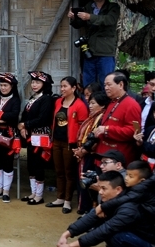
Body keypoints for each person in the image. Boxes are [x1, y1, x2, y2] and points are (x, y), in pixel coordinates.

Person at [57, 171, 155, 247]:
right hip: (139, 242)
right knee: (107, 226)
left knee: (116, 235)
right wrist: (66, 234)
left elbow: (104, 231)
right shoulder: (111, 201)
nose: (100, 192)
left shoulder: (128, 208)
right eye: (99, 188)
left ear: (118, 189)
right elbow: (91, 217)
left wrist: (71, 246)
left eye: (104, 188)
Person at [47, 76, 88, 213]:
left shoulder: (80, 105)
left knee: (69, 172)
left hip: (70, 143)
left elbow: (83, 126)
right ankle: (60, 197)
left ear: (74, 88)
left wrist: (79, 144)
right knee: (58, 171)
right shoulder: (58, 101)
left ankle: (68, 201)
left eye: (65, 86)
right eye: (61, 86)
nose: (62, 89)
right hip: (57, 141)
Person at [68, 0, 120, 85]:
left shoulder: (113, 7)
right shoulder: (89, 6)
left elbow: (109, 20)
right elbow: (79, 25)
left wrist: (90, 17)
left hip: (105, 51)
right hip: (90, 50)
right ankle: (89, 101)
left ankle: (105, 101)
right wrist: (73, 18)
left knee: (106, 81)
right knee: (88, 81)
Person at [18, 71, 55, 205]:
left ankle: (39, 195)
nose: (34, 85)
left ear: (44, 84)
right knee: (31, 164)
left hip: (41, 136)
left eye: (37, 82)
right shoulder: (34, 97)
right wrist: (23, 127)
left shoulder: (46, 99)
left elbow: (43, 119)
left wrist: (25, 125)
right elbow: (25, 115)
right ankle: (33, 192)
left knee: (38, 164)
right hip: (30, 135)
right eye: (33, 82)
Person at [72, 92, 110, 213]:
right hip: (84, 151)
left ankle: (86, 209)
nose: (90, 105)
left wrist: (83, 151)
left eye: (93, 103)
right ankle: (83, 208)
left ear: (102, 105)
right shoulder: (92, 117)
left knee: (87, 180)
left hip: (91, 154)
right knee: (81, 179)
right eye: (89, 103)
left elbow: (95, 139)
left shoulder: (102, 118)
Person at [93, 72, 142, 166]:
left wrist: (107, 129)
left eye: (109, 85)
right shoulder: (112, 102)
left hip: (117, 158)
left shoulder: (131, 105)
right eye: (105, 85)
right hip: (103, 154)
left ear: (121, 85)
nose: (106, 88)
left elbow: (133, 131)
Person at [0, 73, 21, 202]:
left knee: (8, 163)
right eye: (1, 85)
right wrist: (0, 118)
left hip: (9, 136)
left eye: (6, 85)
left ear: (11, 86)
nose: (3, 88)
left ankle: (6, 191)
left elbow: (13, 116)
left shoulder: (15, 100)